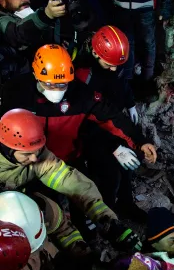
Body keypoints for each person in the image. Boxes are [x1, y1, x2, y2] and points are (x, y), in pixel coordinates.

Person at [0, 46, 157, 212]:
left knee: (83, 197)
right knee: (46, 209)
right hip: (34, 163)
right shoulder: (16, 93)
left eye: (63, 85)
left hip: (70, 158)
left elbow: (111, 116)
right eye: (51, 85)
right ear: (35, 75)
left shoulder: (81, 94)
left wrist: (139, 141)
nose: (57, 91)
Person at [0, 108, 140, 250]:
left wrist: (107, 220)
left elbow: (70, 181)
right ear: (8, 150)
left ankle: (80, 254)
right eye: (27, 154)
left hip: (25, 196)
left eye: (37, 151)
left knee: (51, 212)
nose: (34, 158)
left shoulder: (38, 157)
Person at [0, 0, 63, 83]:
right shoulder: (2, 20)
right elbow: (18, 33)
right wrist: (46, 15)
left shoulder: (25, 10)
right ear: (2, 0)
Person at [75, 25, 136, 122]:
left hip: (115, 110)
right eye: (109, 65)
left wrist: (130, 104)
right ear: (95, 53)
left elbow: (122, 83)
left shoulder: (116, 57)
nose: (114, 69)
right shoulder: (83, 75)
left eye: (117, 65)